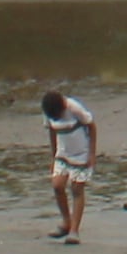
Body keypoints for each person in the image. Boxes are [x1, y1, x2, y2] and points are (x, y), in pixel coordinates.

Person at [40, 86, 98, 240]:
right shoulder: (49, 113)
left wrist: (92, 153)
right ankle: (66, 222)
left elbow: (91, 126)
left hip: (81, 154)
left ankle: (74, 230)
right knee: (57, 186)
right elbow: (52, 131)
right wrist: (53, 157)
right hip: (63, 153)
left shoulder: (74, 108)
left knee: (77, 189)